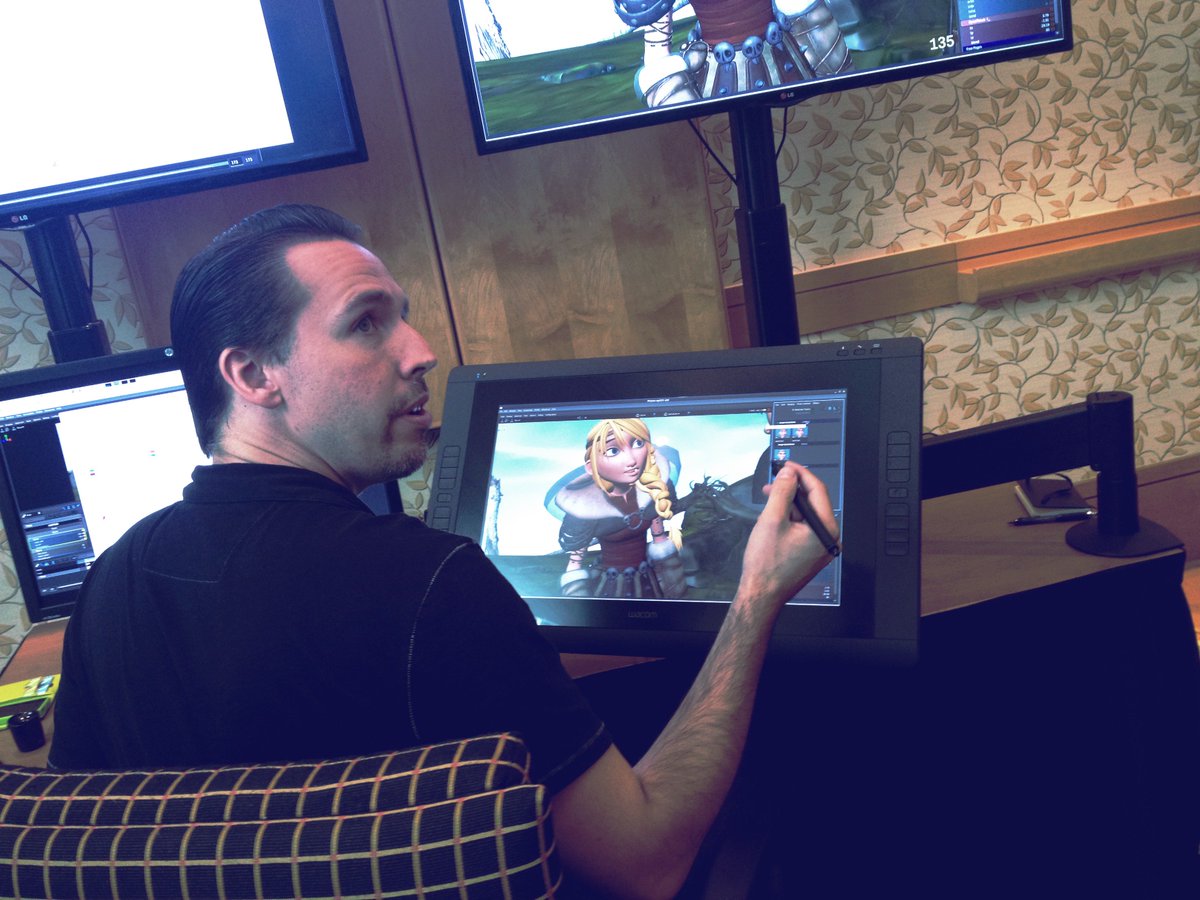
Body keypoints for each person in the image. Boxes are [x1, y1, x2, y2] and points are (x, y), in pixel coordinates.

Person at [49, 203, 838, 899]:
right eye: (367, 323)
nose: (420, 351)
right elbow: (646, 863)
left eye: (405, 317)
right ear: (254, 374)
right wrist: (755, 596)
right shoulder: (429, 583)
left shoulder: (111, 583)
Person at [553, 417, 687, 598]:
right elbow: (575, 565)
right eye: (613, 450)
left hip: (647, 579)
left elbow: (660, 541)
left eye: (638, 443)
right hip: (609, 586)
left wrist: (674, 581)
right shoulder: (586, 509)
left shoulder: (651, 492)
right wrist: (577, 596)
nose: (631, 460)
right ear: (592, 467)